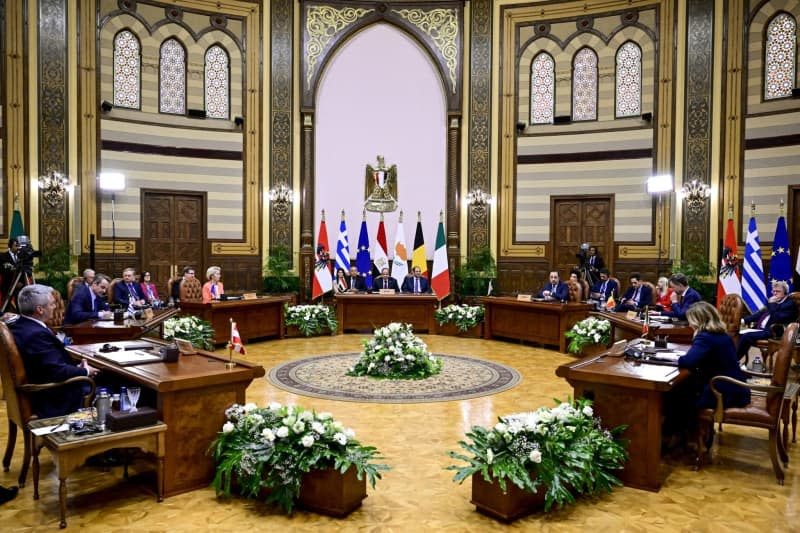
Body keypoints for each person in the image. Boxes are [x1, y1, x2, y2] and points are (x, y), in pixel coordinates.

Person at [9, 284, 100, 418]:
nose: (55, 307)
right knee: (111, 388)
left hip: (44, 387)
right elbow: (57, 372)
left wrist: (74, 367)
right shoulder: (36, 334)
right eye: (52, 304)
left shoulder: (20, 326)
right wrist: (85, 371)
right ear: (40, 309)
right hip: (54, 398)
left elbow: (47, 365)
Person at [736, 280, 798, 361]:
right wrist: (743, 320)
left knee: (747, 336)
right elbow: (759, 315)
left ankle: (734, 361)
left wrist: (772, 304)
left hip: (774, 331)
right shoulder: (774, 301)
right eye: (773, 291)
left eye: (778, 291)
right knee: (739, 333)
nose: (775, 293)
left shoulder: (789, 304)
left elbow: (776, 318)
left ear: (785, 292)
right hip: (762, 329)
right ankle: (735, 360)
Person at [0, 238, 21, 303]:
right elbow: (3, 271)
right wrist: (14, 282)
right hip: (8, 285)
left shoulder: (21, 256)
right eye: (16, 245)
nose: (18, 247)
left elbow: (23, 271)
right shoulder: (3, 256)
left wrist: (21, 282)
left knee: (19, 304)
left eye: (18, 245)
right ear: (10, 246)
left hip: (19, 285)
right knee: (6, 304)